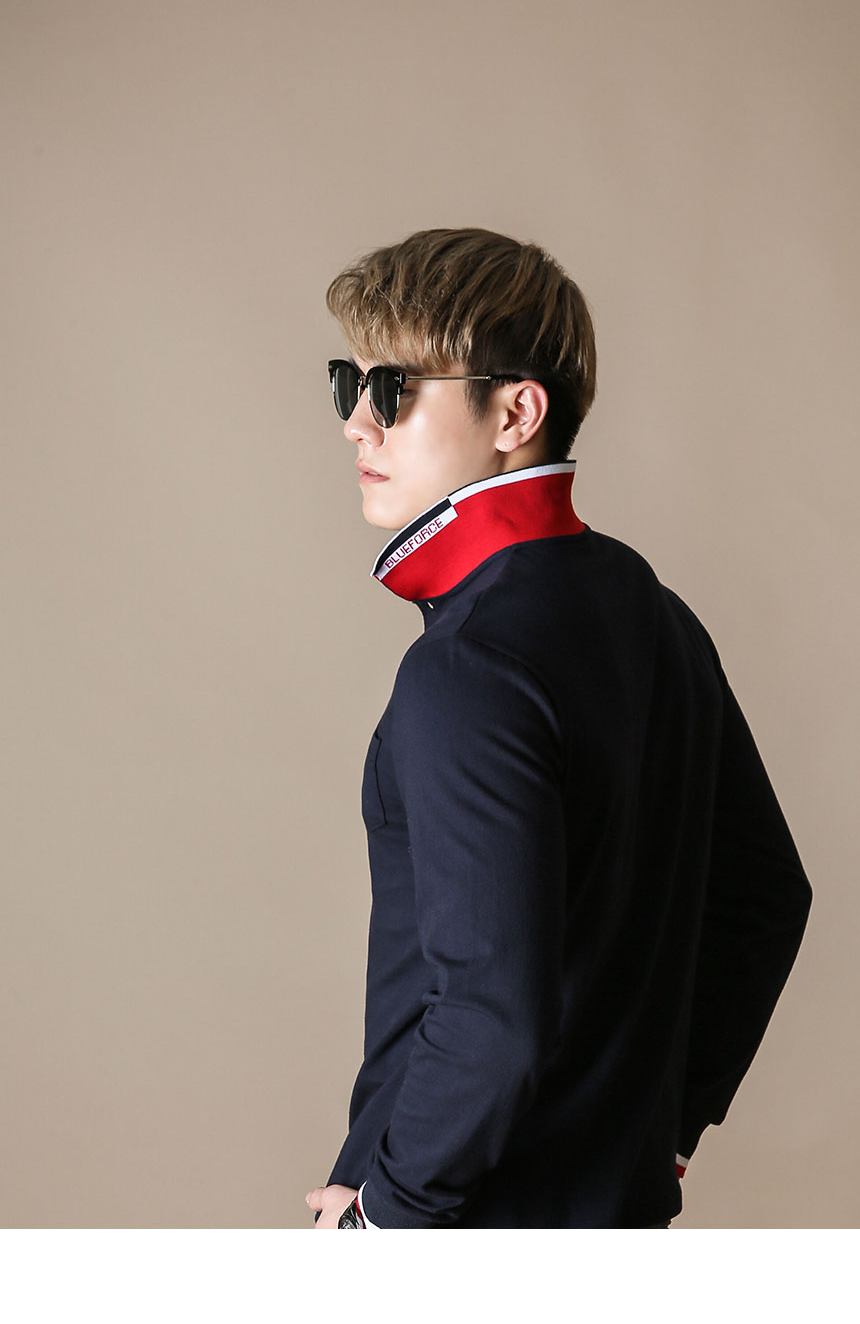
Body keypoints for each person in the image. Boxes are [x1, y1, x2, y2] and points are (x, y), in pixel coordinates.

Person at [304, 227, 813, 1229]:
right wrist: (660, 1131)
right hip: (614, 1215)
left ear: (515, 412)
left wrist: (385, 1218)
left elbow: (488, 1019)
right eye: (347, 385)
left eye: (392, 390)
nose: (357, 425)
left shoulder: (465, 667)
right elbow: (765, 897)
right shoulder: (653, 613)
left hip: (459, 1229)